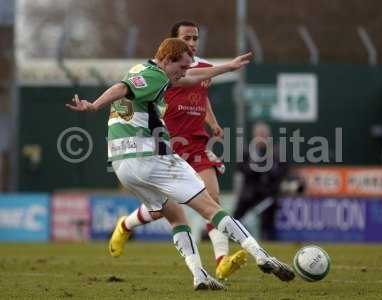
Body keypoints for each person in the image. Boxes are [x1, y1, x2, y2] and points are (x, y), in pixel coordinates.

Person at [66, 38, 294, 291]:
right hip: (151, 157)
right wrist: (94, 105)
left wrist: (226, 68)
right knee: (210, 207)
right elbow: (121, 88)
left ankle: (199, 275)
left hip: (123, 166)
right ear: (167, 59)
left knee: (175, 215)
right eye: (182, 67)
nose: (184, 72)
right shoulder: (156, 76)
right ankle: (261, 254)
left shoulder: (143, 71)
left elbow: (187, 79)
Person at [115, 20, 246, 281]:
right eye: (187, 38)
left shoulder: (203, 67)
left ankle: (221, 260)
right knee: (163, 210)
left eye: (195, 38)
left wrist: (213, 122)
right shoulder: (164, 71)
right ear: (174, 43)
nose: (193, 43)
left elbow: (203, 93)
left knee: (212, 198)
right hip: (165, 142)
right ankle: (125, 225)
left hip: (195, 142)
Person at [233, 122, 289, 240]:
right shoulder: (247, 152)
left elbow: (282, 171)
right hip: (249, 193)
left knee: (268, 221)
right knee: (236, 218)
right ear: (254, 136)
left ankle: (268, 240)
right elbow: (243, 169)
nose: (262, 137)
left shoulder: (276, 153)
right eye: (259, 134)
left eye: (264, 134)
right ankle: (233, 238)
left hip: (268, 194)